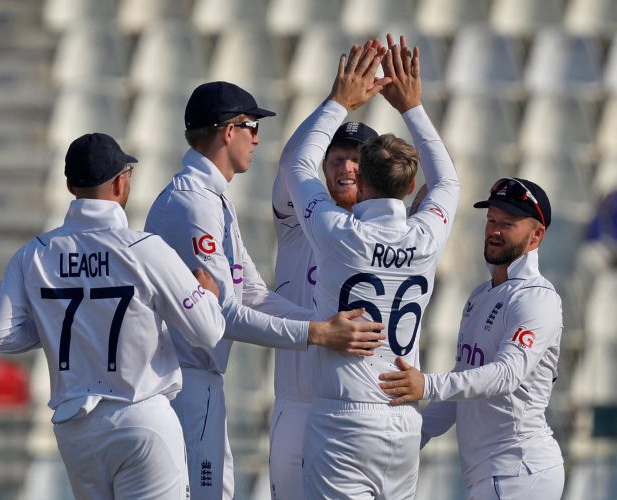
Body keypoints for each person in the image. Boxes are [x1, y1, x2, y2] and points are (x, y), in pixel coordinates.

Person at [144, 81, 385, 500]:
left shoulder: (212, 197)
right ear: (227, 131)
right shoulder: (193, 204)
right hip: (181, 382)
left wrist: (322, 325)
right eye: (251, 126)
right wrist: (318, 333)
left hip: (198, 383)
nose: (257, 137)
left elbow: (250, 292)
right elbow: (225, 315)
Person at [0, 133, 226, 500]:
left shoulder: (35, 254)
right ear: (120, 182)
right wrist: (208, 295)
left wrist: (56, 322)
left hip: (75, 429)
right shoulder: (145, 249)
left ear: (69, 185)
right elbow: (208, 331)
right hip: (142, 419)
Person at [280, 35, 460, 499]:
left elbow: (296, 162)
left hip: (343, 420)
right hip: (402, 421)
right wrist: (413, 107)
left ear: (360, 185)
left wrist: (339, 101)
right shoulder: (427, 234)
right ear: (410, 185)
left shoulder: (340, 233)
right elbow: (449, 180)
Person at [379, 177, 565, 500]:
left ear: (537, 235)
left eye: (507, 223)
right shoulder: (480, 295)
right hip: (492, 474)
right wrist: (413, 435)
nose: (494, 230)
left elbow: (506, 375)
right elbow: (462, 384)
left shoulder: (538, 298)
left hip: (520, 470)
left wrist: (427, 385)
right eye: (491, 219)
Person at [271, 113, 378, 497]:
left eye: (358, 159)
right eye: (337, 158)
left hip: (355, 411)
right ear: (322, 166)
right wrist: (337, 102)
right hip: (296, 408)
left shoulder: (384, 235)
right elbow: (289, 163)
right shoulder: (298, 222)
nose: (347, 167)